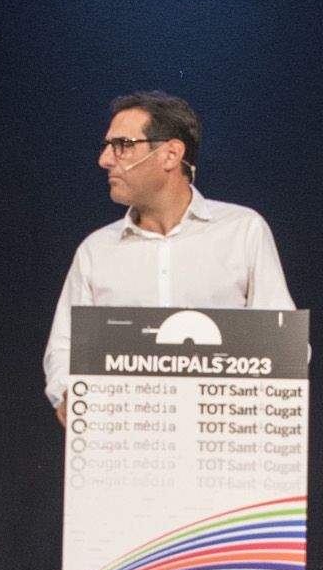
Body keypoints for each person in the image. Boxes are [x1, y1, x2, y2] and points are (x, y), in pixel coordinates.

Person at [41, 92, 293, 411]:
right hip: (125, 430)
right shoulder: (97, 250)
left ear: (171, 154)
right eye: (107, 146)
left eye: (122, 145)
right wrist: (67, 394)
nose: (105, 160)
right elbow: (64, 346)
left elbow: (282, 340)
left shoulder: (242, 231)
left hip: (221, 428)